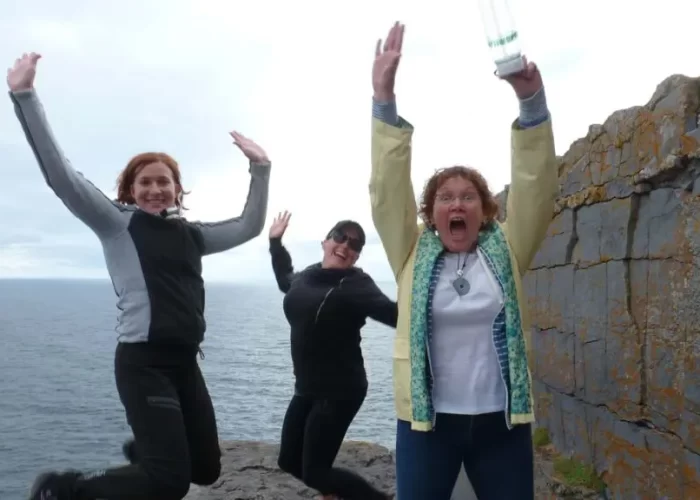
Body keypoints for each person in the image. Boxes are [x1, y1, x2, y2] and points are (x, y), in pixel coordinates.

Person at [7, 52, 272, 500]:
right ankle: (65, 488)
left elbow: (249, 226)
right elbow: (62, 177)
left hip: (186, 364)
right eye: (144, 182)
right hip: (143, 363)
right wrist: (25, 96)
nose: (154, 189)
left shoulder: (193, 235)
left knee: (204, 470)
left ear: (177, 189)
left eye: (163, 181)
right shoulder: (117, 223)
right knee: (169, 482)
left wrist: (261, 169)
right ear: (130, 190)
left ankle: (143, 459)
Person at [369, 22, 558, 500]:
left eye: (469, 197)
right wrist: (383, 99)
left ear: (486, 209)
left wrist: (531, 103)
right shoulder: (410, 252)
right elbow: (387, 192)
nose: (457, 205)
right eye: (446, 198)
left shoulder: (507, 251)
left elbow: (536, 188)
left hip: (501, 421)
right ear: (430, 214)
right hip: (426, 424)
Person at [268, 210, 397, 500]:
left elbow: (394, 314)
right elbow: (284, 279)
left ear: (356, 256)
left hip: (340, 389)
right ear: (325, 242)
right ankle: (335, 493)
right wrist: (276, 243)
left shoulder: (356, 285)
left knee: (315, 471)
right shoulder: (308, 276)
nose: (345, 245)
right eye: (340, 236)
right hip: (307, 387)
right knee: (288, 461)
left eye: (355, 244)